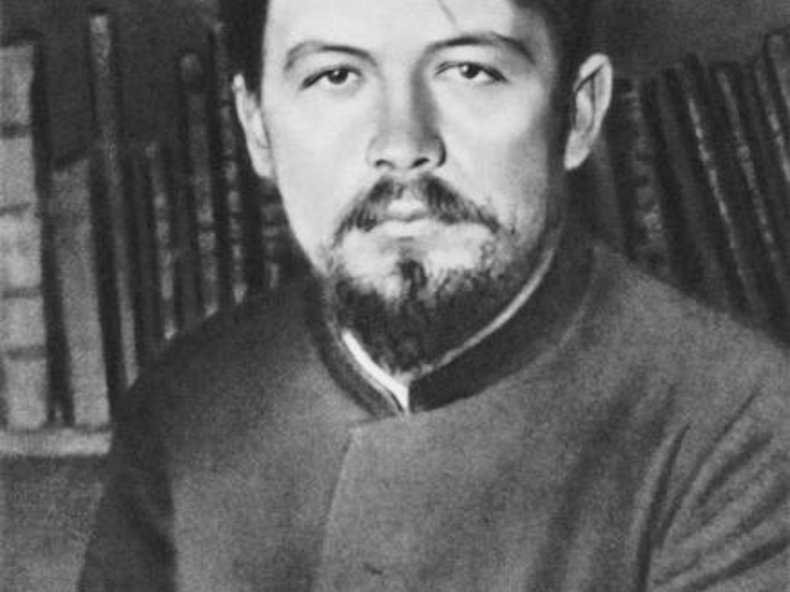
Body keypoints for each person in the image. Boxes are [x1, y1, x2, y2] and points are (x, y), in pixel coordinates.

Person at [80, 0, 790, 590]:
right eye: (334, 76)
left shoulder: (743, 429)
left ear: (577, 114)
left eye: (470, 71)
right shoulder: (186, 404)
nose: (402, 143)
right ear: (256, 128)